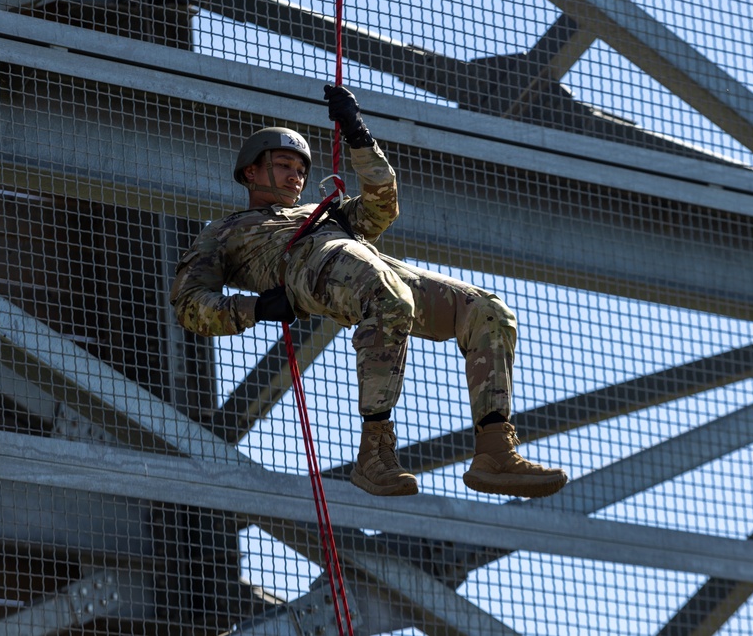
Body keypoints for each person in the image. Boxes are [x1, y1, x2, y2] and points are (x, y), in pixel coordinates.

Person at [171, 85, 567, 499]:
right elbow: (189, 302)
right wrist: (255, 308)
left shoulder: (326, 211)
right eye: (284, 164)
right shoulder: (225, 232)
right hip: (307, 266)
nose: (296, 176)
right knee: (390, 297)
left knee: (487, 309)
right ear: (250, 172)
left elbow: (381, 205)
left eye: (301, 169)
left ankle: (495, 450)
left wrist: (357, 134)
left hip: (363, 261)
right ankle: (374, 451)